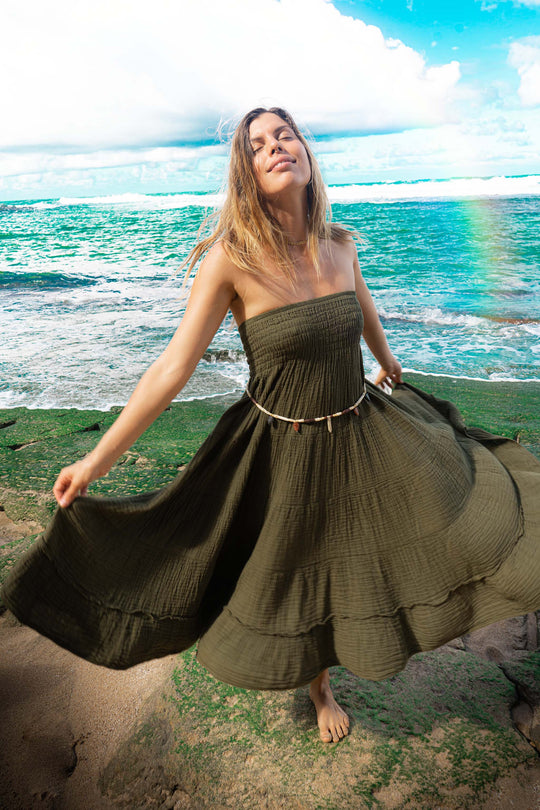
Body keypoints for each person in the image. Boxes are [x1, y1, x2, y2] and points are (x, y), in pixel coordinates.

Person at [2, 107, 540, 746]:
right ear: (249, 174)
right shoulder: (232, 260)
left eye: (285, 136)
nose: (275, 147)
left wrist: (389, 362)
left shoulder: (339, 245)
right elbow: (173, 368)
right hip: (282, 443)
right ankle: (319, 688)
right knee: (302, 569)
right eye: (258, 146)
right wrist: (96, 462)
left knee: (411, 531)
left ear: (307, 156)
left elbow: (363, 309)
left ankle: (352, 659)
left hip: (360, 425)